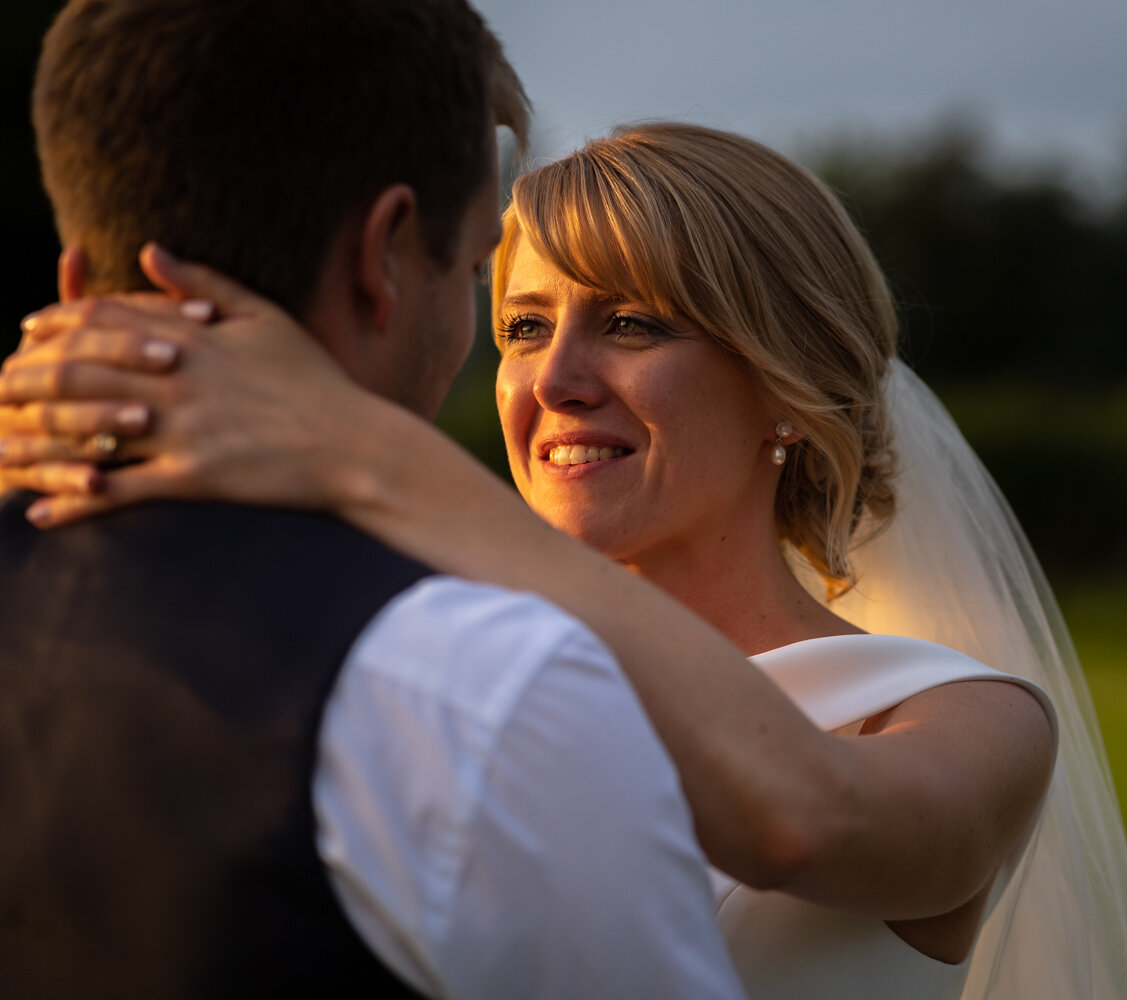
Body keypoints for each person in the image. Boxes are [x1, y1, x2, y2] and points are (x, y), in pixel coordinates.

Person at [1, 124, 1127, 997]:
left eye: (630, 323)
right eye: (522, 326)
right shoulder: (440, 662)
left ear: (785, 381)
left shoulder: (962, 721)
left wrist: (363, 452)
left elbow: (802, 822)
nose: (554, 377)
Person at [0, 2, 746, 997]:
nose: (552, 372)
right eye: (483, 271)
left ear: (76, 276)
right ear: (385, 256)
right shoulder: (479, 692)